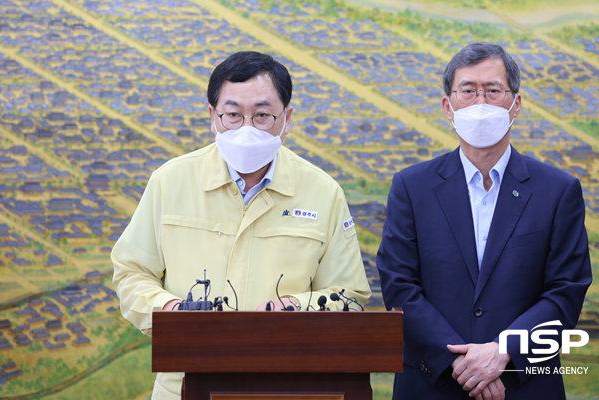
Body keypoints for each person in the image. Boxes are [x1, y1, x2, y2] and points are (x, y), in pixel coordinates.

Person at [112, 51, 371, 400]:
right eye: (233, 115)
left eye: (262, 115)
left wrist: (296, 306)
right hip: (185, 385)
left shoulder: (323, 193)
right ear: (212, 117)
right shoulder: (169, 182)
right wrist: (172, 312)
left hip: (288, 387)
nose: (246, 128)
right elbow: (131, 272)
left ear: (287, 118)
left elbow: (349, 295)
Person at [377, 42, 592, 400]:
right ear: (448, 106)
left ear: (515, 105)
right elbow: (399, 286)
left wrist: (502, 353)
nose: (480, 102)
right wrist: (463, 363)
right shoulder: (411, 187)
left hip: (523, 384)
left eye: (493, 90)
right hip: (433, 384)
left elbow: (565, 291)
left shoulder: (558, 190)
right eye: (468, 90)